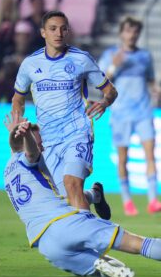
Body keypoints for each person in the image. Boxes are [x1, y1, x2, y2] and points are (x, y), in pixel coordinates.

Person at [4, 118, 161, 277]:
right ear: (24, 144)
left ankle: (98, 261)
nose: (42, 145)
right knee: (137, 243)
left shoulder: (8, 171)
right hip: (67, 223)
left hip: (46, 245)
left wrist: (15, 132)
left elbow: (21, 150)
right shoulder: (29, 156)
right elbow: (31, 152)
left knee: (103, 271)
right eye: (39, 141)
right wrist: (26, 137)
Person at [11, 11, 115, 219]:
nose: (58, 33)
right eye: (52, 28)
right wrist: (18, 121)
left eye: (63, 28)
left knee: (71, 183)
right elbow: (18, 98)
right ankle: (94, 195)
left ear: (68, 31)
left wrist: (104, 102)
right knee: (68, 196)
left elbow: (110, 91)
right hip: (48, 140)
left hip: (77, 133)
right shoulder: (30, 64)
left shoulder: (81, 59)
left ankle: (88, 240)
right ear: (43, 33)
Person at [98, 16, 161, 216]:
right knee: (123, 158)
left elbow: (151, 80)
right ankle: (127, 202)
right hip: (120, 113)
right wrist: (113, 67)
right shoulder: (110, 54)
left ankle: (153, 200)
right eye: (128, 30)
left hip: (143, 111)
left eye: (135, 31)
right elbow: (101, 82)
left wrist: (156, 88)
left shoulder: (145, 56)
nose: (132, 34)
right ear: (121, 33)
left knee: (150, 155)